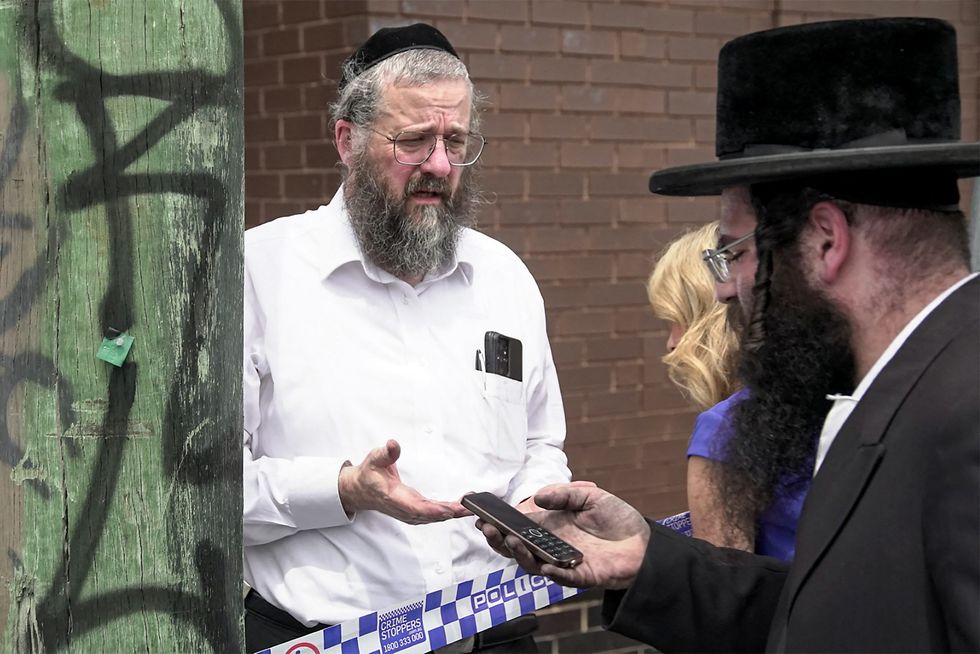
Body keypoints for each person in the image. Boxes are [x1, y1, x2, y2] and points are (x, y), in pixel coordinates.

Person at [475, 17, 978, 652]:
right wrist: (649, 559)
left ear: (826, 241)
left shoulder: (964, 416)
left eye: (733, 253)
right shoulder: (898, 389)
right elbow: (845, 616)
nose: (722, 289)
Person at [243, 23, 570, 653]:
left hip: (494, 636)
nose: (440, 166)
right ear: (347, 140)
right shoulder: (259, 271)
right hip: (326, 640)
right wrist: (343, 490)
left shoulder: (504, 277)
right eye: (414, 140)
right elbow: (208, 484)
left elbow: (540, 441)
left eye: (456, 141)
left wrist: (534, 504)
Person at [648, 222, 809, 559]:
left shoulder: (723, 431)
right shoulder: (841, 391)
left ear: (712, 316)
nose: (672, 342)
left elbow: (725, 586)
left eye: (677, 319)